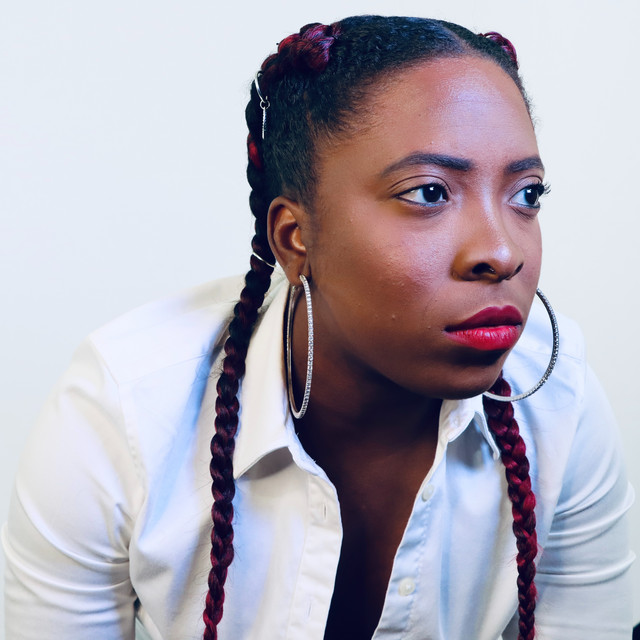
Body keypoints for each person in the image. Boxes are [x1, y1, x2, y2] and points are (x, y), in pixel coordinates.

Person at [2, 15, 634, 640]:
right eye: (428, 193)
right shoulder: (124, 414)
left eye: (526, 194)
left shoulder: (561, 402)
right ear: (294, 237)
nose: (501, 252)